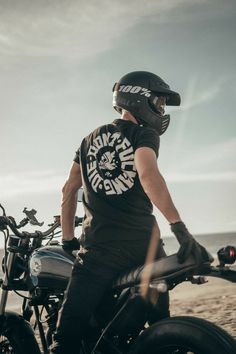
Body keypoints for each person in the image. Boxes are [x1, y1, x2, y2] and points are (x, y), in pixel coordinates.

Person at [50, 71, 208, 354]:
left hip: (100, 253)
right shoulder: (142, 134)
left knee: (65, 340)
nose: (161, 110)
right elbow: (148, 175)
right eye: (158, 102)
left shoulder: (87, 141)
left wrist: (68, 240)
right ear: (137, 98)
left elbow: (68, 191)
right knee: (160, 324)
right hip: (146, 249)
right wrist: (179, 228)